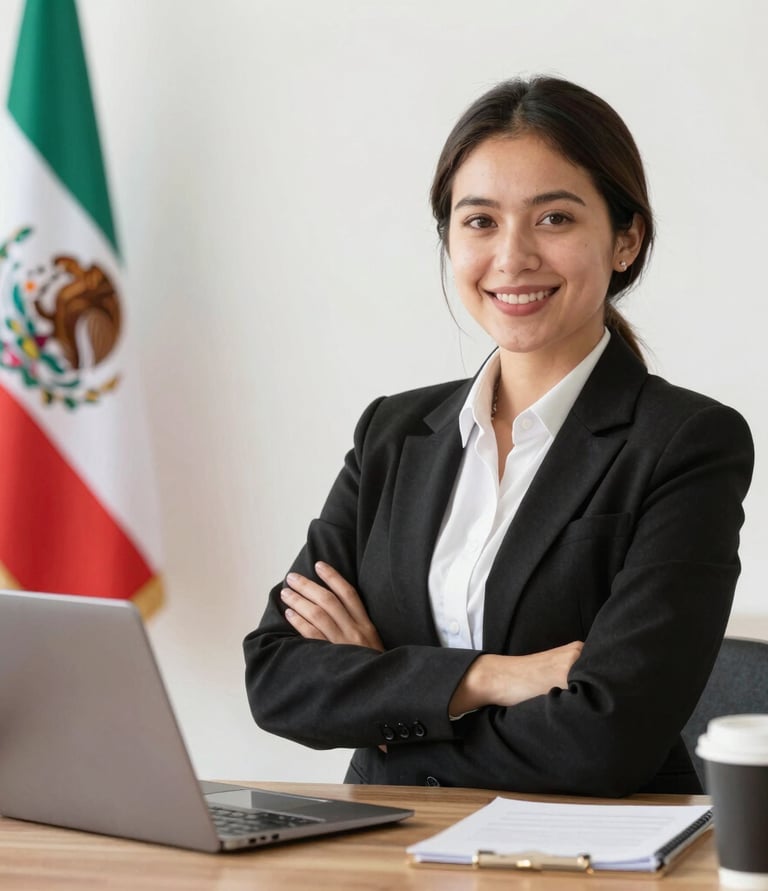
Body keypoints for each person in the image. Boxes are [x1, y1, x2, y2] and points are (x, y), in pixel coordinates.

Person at [243, 76, 753, 797]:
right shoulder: (393, 433)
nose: (512, 257)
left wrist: (389, 706)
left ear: (626, 238)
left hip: (594, 853)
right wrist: (491, 678)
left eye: (554, 219)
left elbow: (604, 737)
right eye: (479, 221)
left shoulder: (687, 443)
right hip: (388, 847)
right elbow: (277, 677)